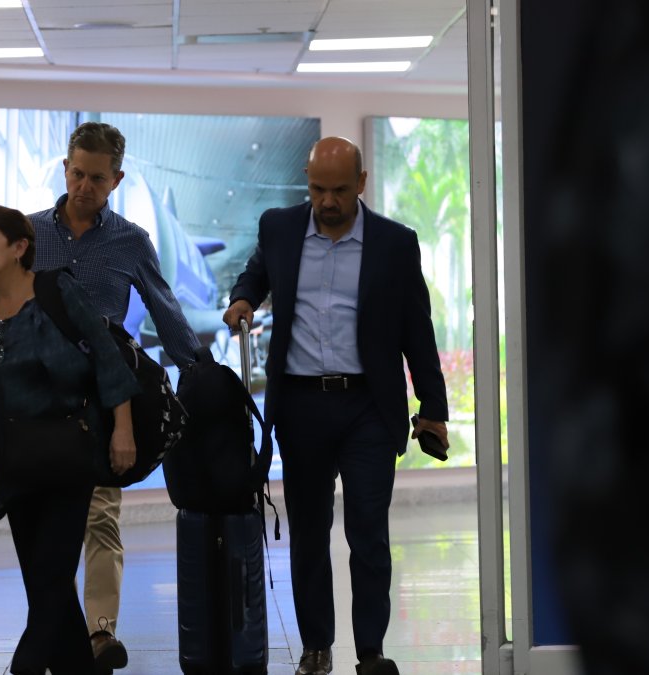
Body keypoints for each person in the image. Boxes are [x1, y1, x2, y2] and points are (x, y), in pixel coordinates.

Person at [222, 137, 449, 675]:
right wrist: (243, 298)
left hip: (369, 406)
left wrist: (432, 407)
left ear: (362, 184)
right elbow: (258, 270)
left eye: (339, 191)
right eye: (318, 189)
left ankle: (370, 651)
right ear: (307, 180)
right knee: (309, 531)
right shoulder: (279, 227)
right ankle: (316, 647)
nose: (327, 201)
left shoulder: (395, 244)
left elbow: (418, 330)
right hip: (301, 405)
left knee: (368, 530)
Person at [0, 205, 139, 675]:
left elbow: (107, 358)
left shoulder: (55, 291)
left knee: (48, 586)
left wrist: (122, 430)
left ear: (20, 247)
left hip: (68, 461)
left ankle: (23, 669)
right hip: (16, 468)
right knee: (51, 593)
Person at [28, 121, 199, 673]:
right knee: (47, 523)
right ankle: (54, 632)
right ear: (65, 168)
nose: (84, 187)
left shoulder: (130, 241)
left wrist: (202, 374)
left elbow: (167, 312)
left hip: (106, 399)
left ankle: (101, 635)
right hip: (40, 401)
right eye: (77, 174)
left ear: (116, 179)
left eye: (96, 179)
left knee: (100, 515)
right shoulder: (29, 236)